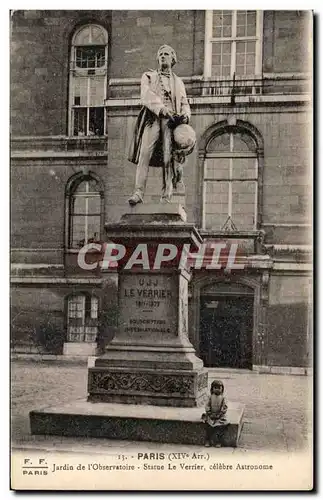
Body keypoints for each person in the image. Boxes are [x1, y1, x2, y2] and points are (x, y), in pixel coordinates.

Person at [128, 44, 193, 205]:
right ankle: (138, 192)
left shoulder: (179, 82)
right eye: (161, 54)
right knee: (144, 153)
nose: (163, 56)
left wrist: (185, 115)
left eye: (166, 54)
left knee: (167, 158)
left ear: (173, 59)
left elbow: (185, 103)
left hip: (171, 123)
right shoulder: (148, 76)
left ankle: (166, 196)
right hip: (153, 118)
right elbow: (146, 95)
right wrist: (162, 109)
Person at [201, 379, 229, 447]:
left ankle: (218, 441)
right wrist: (209, 413)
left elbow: (224, 407)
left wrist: (220, 414)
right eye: (215, 388)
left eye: (219, 388)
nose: (217, 390)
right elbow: (207, 405)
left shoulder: (223, 398)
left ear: (222, 389)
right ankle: (207, 440)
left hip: (220, 416)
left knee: (220, 427)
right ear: (212, 389)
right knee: (208, 426)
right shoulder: (210, 397)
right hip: (211, 415)